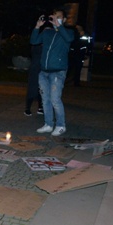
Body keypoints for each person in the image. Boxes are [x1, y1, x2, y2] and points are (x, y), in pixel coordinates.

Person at [30, 8, 74, 136]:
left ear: (64, 19)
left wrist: (58, 25)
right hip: (44, 72)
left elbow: (69, 39)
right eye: (54, 16)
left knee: (55, 99)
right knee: (45, 99)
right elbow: (34, 41)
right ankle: (48, 124)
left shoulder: (68, 32)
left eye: (59, 17)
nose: (55, 18)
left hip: (58, 72)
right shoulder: (47, 32)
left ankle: (61, 125)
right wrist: (37, 27)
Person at [24, 32, 44, 116]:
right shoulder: (36, 44)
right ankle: (27, 108)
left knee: (42, 89)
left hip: (43, 68)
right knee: (33, 88)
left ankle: (40, 107)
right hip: (36, 68)